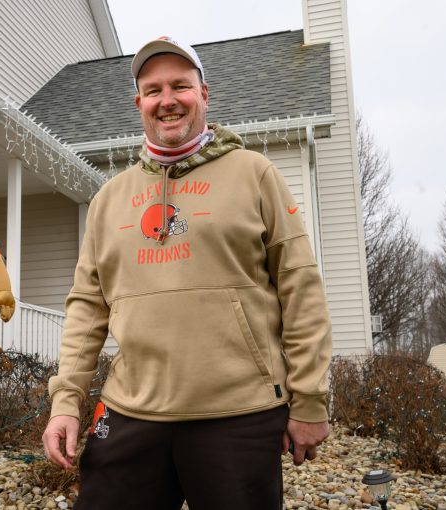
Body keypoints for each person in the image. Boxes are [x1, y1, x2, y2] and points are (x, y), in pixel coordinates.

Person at [42, 36, 332, 509]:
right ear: (139, 103)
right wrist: (66, 402)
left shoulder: (254, 174)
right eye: (153, 90)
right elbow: (86, 310)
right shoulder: (108, 199)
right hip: (131, 411)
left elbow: (301, 289)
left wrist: (310, 400)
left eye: (181, 86)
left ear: (204, 94)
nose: (168, 100)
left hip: (238, 413)